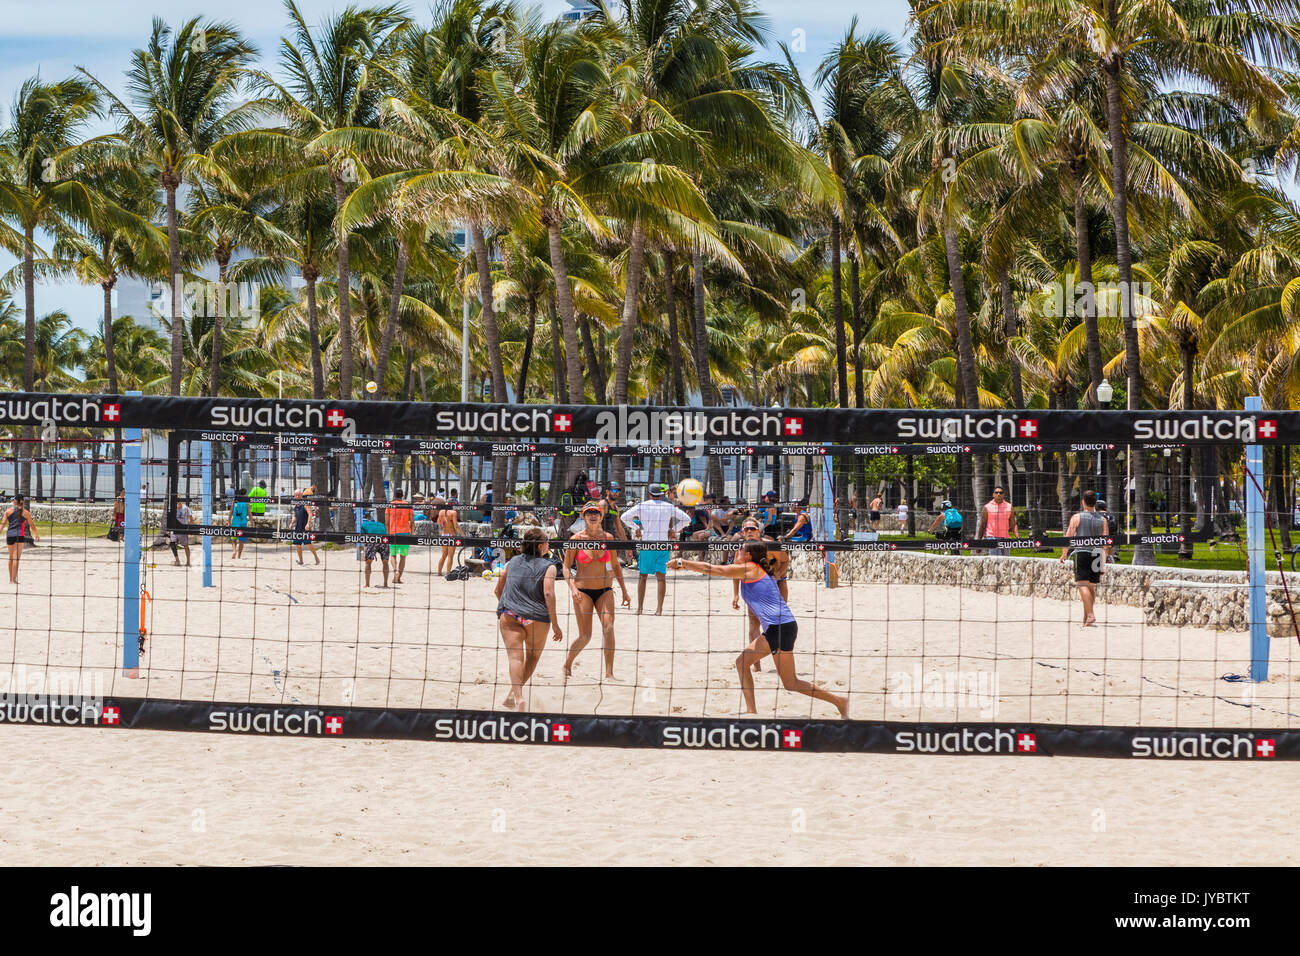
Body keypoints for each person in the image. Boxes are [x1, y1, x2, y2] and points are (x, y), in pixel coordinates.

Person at [670, 543, 849, 718]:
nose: (736, 551)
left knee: (742, 664)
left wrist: (683, 562)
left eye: (740, 549)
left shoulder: (750, 568)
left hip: (779, 627)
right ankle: (839, 701)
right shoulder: (755, 570)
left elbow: (713, 569)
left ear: (748, 556)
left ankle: (751, 712)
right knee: (790, 682)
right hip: (785, 626)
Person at [494, 527, 562, 711]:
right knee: (532, 656)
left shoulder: (512, 562)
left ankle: (517, 697)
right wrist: (555, 624)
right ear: (541, 546)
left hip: (511, 615)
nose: (549, 543)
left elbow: (497, 590)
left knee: (515, 658)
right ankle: (512, 695)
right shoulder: (550, 566)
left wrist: (508, 604)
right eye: (547, 540)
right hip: (536, 618)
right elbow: (548, 593)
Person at [563, 502, 631, 680]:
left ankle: (609, 673)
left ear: (601, 516)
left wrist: (624, 591)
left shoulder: (608, 538)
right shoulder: (576, 540)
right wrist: (572, 588)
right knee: (585, 636)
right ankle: (568, 663)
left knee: (608, 628)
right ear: (583, 517)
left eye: (596, 513)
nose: (593, 515)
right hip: (582, 591)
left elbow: (615, 565)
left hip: (605, 590)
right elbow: (565, 568)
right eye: (589, 513)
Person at [621, 483, 691, 615]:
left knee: (642, 577)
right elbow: (687, 519)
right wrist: (673, 530)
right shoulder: (669, 506)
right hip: (663, 544)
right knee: (661, 578)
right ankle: (659, 610)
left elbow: (623, 517)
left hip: (647, 544)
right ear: (662, 494)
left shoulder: (642, 506)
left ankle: (640, 609)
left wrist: (636, 528)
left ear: (649, 494)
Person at [732, 517, 790, 673]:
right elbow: (735, 572)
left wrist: (776, 576)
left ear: (759, 531)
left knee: (777, 625)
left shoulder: (770, 545)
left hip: (777, 586)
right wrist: (735, 594)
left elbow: (786, 560)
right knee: (753, 625)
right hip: (754, 590)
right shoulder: (741, 550)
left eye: (753, 528)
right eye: (746, 529)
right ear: (742, 532)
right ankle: (756, 666)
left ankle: (782, 662)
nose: (750, 531)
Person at [1061, 490, 1108, 627]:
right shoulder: (1103, 519)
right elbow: (1106, 543)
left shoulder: (1076, 517)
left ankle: (1090, 614)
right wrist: (1103, 562)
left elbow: (1068, 537)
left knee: (1082, 585)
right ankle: (1086, 617)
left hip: (1082, 552)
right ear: (1095, 503)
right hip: (1097, 553)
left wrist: (1064, 553)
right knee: (1091, 587)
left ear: (1083, 501)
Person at [5, 494, 38, 585]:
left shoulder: (8, 511)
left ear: (14, 501)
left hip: (10, 535)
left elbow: (2, 524)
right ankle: (13, 580)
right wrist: (37, 535)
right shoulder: (26, 512)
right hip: (19, 536)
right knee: (16, 559)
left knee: (11, 558)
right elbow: (32, 525)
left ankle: (11, 579)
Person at [977, 485, 1018, 555]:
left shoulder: (1009, 506)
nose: (998, 494)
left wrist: (1017, 537)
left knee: (1006, 561)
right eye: (996, 492)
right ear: (993, 494)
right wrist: (979, 542)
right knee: (995, 561)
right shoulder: (987, 507)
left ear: (1003, 495)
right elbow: (983, 525)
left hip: (1005, 538)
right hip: (992, 537)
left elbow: (1013, 524)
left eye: (1000, 493)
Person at [386, 486, 412, 584]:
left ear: (394, 495)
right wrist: (412, 533)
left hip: (393, 532)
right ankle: (399, 578)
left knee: (393, 555)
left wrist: (388, 533)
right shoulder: (407, 505)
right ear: (403, 496)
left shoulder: (390, 505)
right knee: (403, 557)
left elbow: (387, 522)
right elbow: (412, 521)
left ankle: (395, 570)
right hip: (405, 532)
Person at [360, 508, 390, 588]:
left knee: (368, 562)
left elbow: (363, 539)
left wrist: (365, 550)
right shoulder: (381, 524)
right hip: (384, 540)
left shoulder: (364, 525)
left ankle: (367, 584)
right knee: (385, 562)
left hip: (372, 539)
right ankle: (385, 584)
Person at [291, 487, 320, 566]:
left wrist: (308, 524)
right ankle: (301, 561)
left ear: (301, 495)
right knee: (297, 545)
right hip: (298, 528)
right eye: (295, 495)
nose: (297, 497)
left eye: (298, 495)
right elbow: (294, 516)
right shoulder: (296, 506)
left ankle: (316, 558)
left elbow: (310, 514)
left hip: (305, 527)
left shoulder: (305, 504)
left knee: (308, 543)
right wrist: (291, 522)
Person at [436, 496, 460, 575]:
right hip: (451, 535)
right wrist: (463, 534)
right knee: (450, 556)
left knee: (443, 555)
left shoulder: (441, 511)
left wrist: (444, 523)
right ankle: (448, 572)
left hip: (444, 534)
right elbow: (456, 526)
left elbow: (438, 522)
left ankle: (439, 572)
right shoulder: (453, 512)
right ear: (453, 504)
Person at [170, 496, 193, 567]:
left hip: (183, 529)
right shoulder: (173, 508)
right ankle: (177, 560)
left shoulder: (185, 508)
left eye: (177, 503)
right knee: (172, 543)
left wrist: (190, 528)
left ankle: (188, 561)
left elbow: (191, 518)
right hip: (174, 529)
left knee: (185, 546)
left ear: (179, 502)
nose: (177, 505)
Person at [1096, 498, 1118, 563]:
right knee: (1110, 556)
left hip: (1098, 539)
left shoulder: (1095, 515)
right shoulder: (1111, 516)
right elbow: (1115, 527)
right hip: (1110, 539)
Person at [229, 490, 250, 559]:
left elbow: (231, 512)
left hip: (235, 523)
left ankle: (234, 551)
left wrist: (229, 521)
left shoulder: (235, 502)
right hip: (243, 523)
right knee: (241, 540)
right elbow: (249, 513)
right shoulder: (246, 502)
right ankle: (239, 556)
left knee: (233, 539)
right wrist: (252, 523)